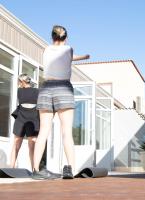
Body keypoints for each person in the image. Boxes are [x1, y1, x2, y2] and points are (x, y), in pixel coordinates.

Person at [32, 25, 90, 180]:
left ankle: (36, 170)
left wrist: (83, 57)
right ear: (66, 38)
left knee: (43, 131)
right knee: (66, 132)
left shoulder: (46, 49)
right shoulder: (69, 49)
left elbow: (63, 55)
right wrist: (84, 57)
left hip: (46, 88)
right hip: (63, 88)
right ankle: (71, 168)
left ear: (52, 37)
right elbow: (70, 56)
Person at [10, 74, 39, 171]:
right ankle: (11, 169)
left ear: (22, 81)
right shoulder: (21, 90)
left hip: (32, 119)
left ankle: (34, 170)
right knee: (18, 144)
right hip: (22, 118)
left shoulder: (35, 91)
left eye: (19, 82)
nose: (18, 84)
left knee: (31, 145)